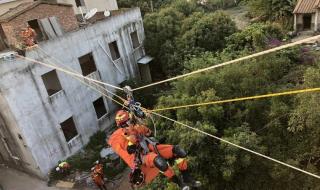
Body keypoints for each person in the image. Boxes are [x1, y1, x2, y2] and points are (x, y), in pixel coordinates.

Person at [108, 110, 200, 189]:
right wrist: (132, 139)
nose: (132, 122)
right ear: (125, 124)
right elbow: (129, 149)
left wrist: (143, 121)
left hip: (151, 147)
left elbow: (149, 133)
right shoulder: (124, 136)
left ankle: (186, 176)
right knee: (160, 162)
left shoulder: (137, 128)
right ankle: (180, 183)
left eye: (131, 120)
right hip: (142, 156)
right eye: (130, 121)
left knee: (178, 151)